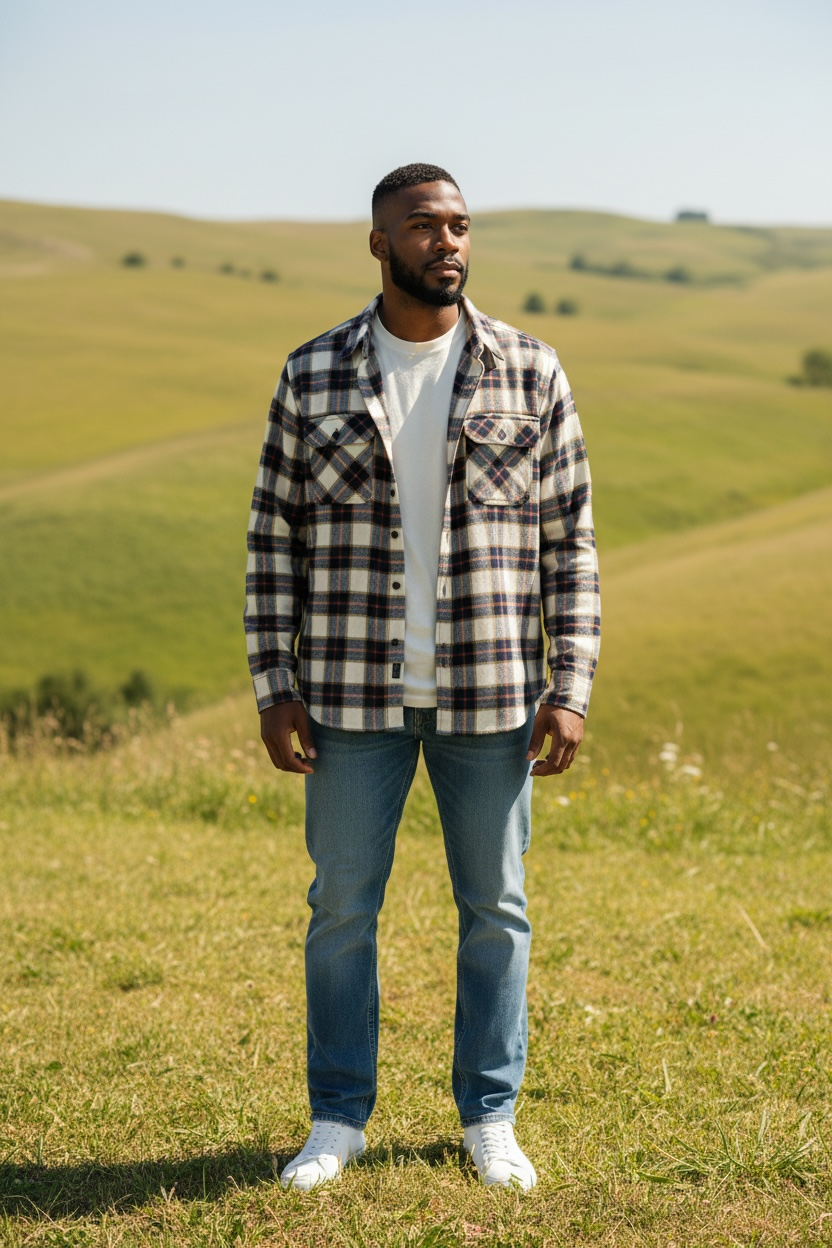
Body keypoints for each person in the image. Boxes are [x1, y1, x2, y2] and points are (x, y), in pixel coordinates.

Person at [244, 162, 600, 1191]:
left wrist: (568, 682)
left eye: (458, 224)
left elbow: (569, 543)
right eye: (422, 226)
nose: (447, 241)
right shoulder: (312, 374)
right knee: (342, 909)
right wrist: (274, 684)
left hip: (492, 697)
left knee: (496, 907)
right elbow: (274, 540)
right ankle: (336, 1117)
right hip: (351, 698)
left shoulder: (531, 371)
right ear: (379, 243)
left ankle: (490, 1115)